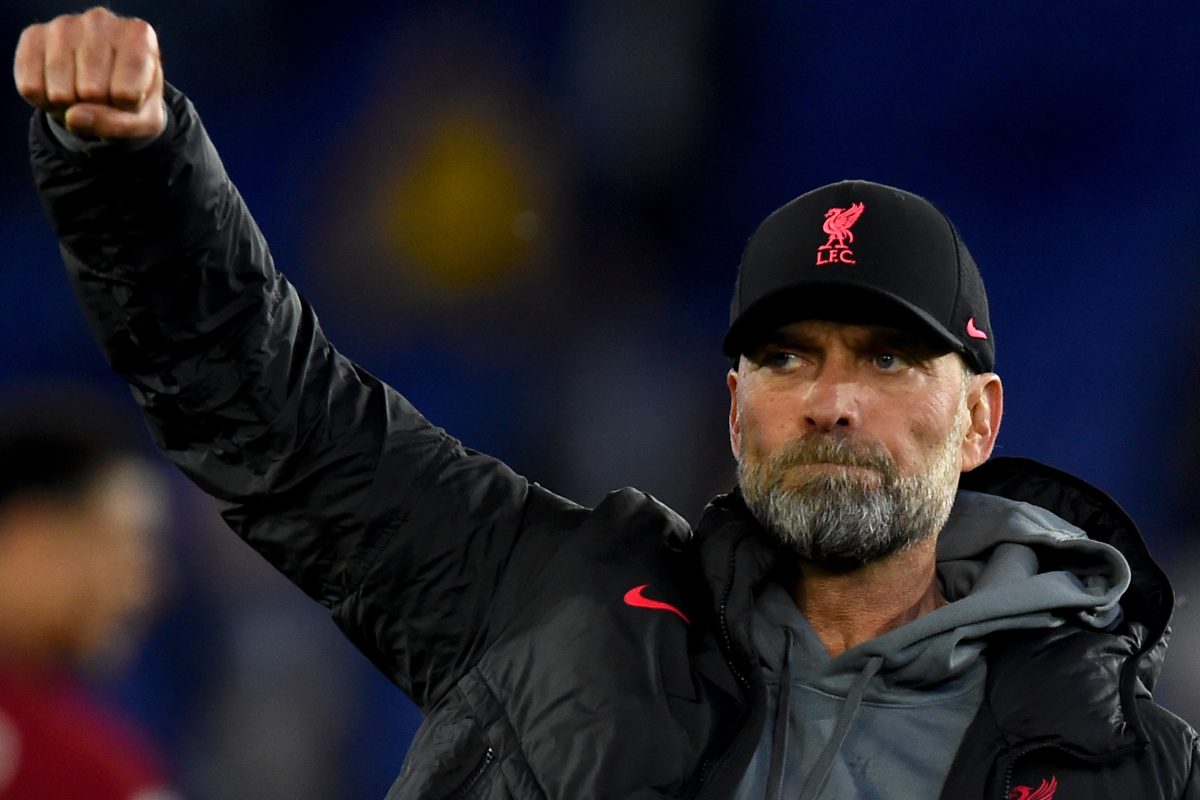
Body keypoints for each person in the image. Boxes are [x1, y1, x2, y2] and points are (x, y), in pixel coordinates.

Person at [14, 7, 1199, 799]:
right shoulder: (564, 606)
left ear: (981, 418)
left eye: (890, 360)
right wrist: (137, 168)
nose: (833, 400)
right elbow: (276, 420)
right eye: (787, 357)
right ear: (735, 409)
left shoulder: (1114, 764)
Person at [0, 389, 178, 800]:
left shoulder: (96, 762)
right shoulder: (92, 774)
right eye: (127, 547)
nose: (147, 586)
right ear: (33, 540)